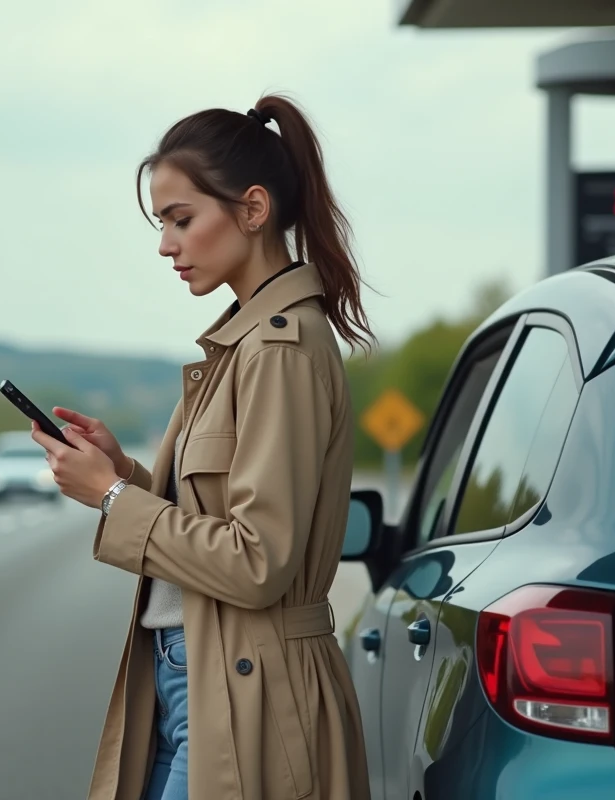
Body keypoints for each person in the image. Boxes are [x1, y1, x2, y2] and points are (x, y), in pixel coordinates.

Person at [30, 93, 374, 800]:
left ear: (252, 210)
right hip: (193, 679)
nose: (166, 245)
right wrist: (122, 469)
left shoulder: (279, 348)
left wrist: (113, 497)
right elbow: (212, 521)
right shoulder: (241, 341)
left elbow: (257, 562)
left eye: (181, 220)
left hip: (243, 693)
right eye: (163, 223)